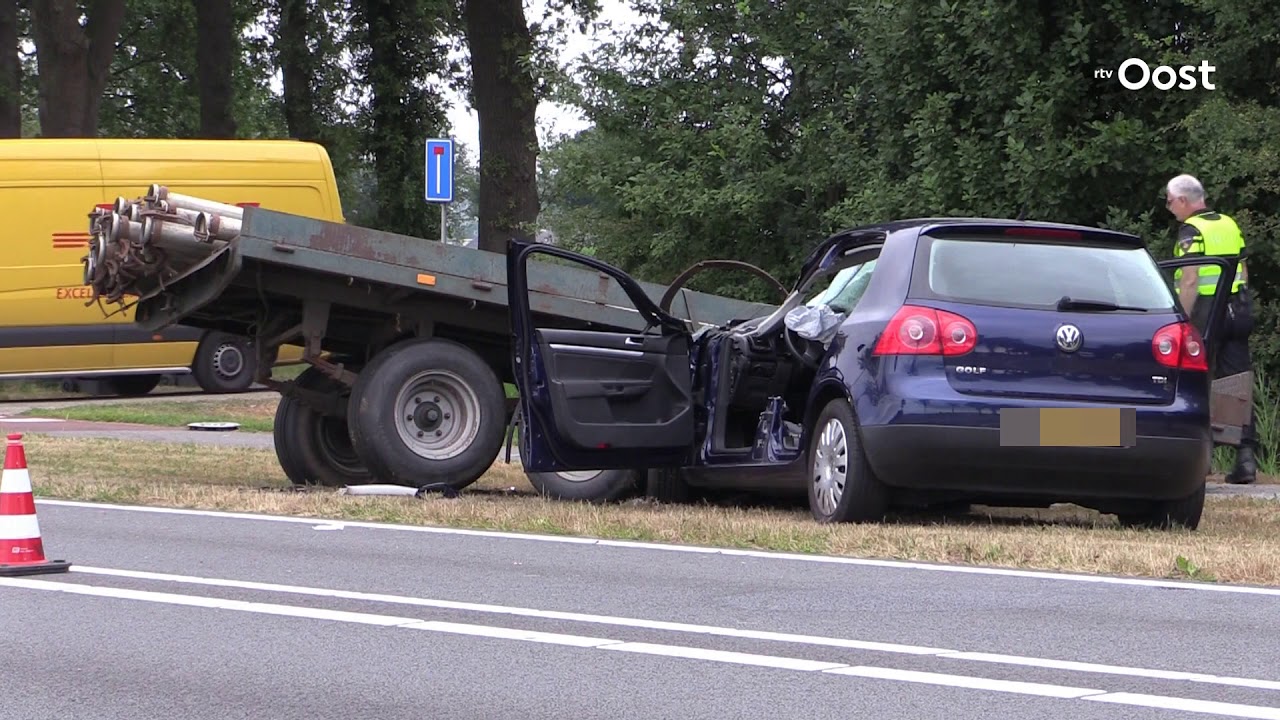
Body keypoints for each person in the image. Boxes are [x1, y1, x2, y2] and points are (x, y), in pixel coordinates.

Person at [1166, 173, 1257, 484]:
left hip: (1208, 309)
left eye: (1170, 201)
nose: (1169, 208)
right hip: (1239, 308)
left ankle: (1200, 458)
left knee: (1197, 380)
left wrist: (1180, 321)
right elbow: (1243, 268)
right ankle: (1245, 458)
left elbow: (1189, 280)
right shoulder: (1228, 224)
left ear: (1183, 200)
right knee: (1236, 383)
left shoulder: (1191, 230)